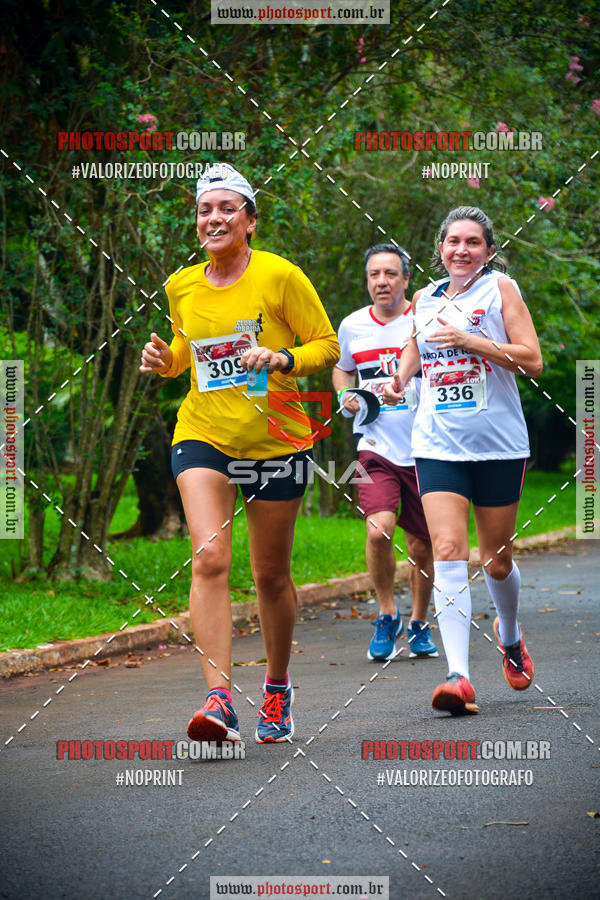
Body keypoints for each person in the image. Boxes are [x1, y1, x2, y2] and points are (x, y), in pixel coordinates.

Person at [140, 163, 339, 743]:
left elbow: (324, 344)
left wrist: (282, 359)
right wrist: (166, 361)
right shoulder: (181, 285)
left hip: (276, 438)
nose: (214, 218)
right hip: (203, 433)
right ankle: (219, 697)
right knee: (209, 559)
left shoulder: (281, 277)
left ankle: (276, 690)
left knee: (271, 576)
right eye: (206, 209)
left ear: (250, 221)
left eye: (227, 208)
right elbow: (188, 349)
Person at [383, 206, 543, 714]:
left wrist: (472, 340)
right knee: (448, 549)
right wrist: (398, 380)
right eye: (453, 241)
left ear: (488, 251)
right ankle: (458, 677)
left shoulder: (501, 290)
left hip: (498, 445)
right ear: (440, 248)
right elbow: (413, 350)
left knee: (496, 561)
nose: (461, 250)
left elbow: (533, 359)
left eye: (473, 242)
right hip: (436, 446)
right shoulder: (425, 299)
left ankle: (511, 636)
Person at [332, 244, 437, 662]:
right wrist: (345, 395)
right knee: (378, 531)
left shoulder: (424, 319)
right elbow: (342, 367)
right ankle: (387, 614)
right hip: (373, 445)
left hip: (427, 445)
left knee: (421, 546)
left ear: (406, 280)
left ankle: (418, 622)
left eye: (391, 274)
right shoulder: (353, 325)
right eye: (375, 274)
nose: (382, 281)